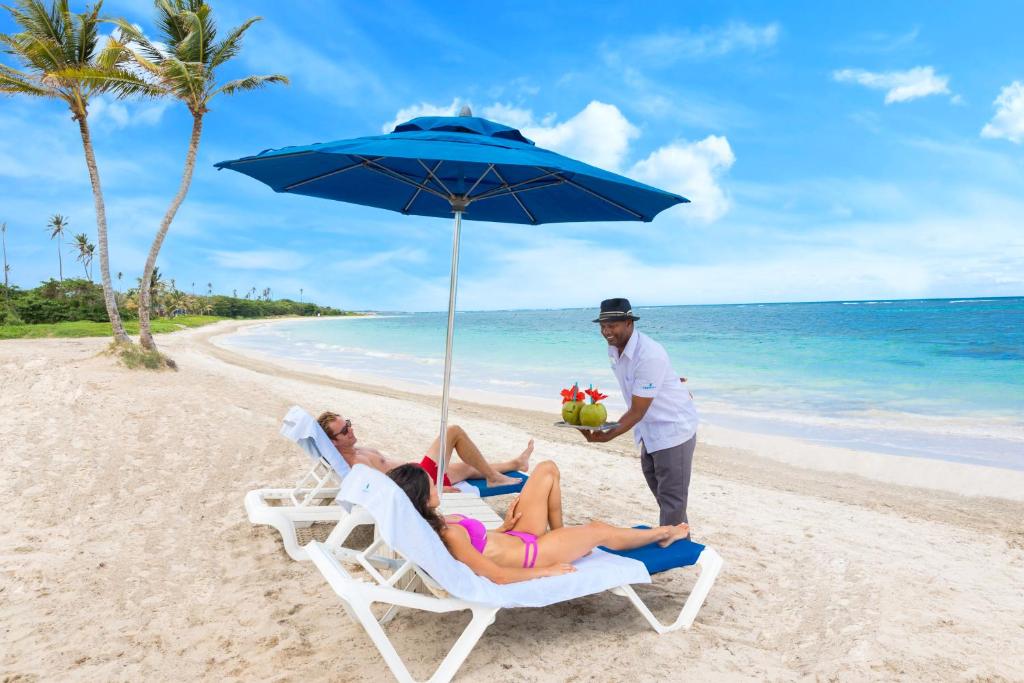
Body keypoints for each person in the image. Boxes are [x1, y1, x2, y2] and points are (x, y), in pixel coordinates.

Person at [388, 460, 690, 584]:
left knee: (546, 469)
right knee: (599, 531)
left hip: (517, 536)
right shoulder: (447, 533)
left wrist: (501, 529)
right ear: (420, 496)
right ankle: (663, 534)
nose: (435, 484)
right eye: (430, 483)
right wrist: (547, 570)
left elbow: (479, 548)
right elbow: (497, 575)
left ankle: (566, 537)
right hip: (534, 554)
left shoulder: (436, 523)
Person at [580, 298, 699, 527]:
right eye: (602, 326)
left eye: (612, 325)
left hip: (673, 431)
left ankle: (672, 555)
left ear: (628, 322)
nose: (606, 332)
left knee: (672, 503)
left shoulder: (649, 354)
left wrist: (607, 435)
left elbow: (636, 411)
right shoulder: (614, 348)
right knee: (667, 504)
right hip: (648, 433)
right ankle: (679, 545)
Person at [317, 411, 529, 490]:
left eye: (349, 424)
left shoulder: (356, 450)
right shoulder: (356, 465)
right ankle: (493, 478)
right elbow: (394, 488)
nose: (351, 430)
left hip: (420, 471)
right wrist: (437, 489)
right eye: (344, 430)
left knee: (466, 468)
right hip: (423, 480)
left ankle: (516, 464)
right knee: (453, 432)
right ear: (333, 442)